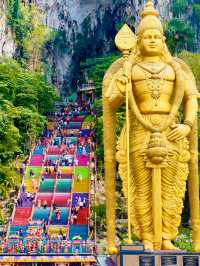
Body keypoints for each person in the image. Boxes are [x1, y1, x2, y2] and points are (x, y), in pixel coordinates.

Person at [103, 0, 200, 252]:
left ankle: (166, 236)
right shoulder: (130, 67)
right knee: (142, 186)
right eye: (148, 36)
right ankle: (147, 237)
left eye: (157, 36)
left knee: (171, 186)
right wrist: (122, 85)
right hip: (139, 131)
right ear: (139, 40)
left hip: (171, 130)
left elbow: (191, 98)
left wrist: (187, 126)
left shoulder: (175, 68)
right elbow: (112, 101)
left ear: (164, 38)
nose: (153, 40)